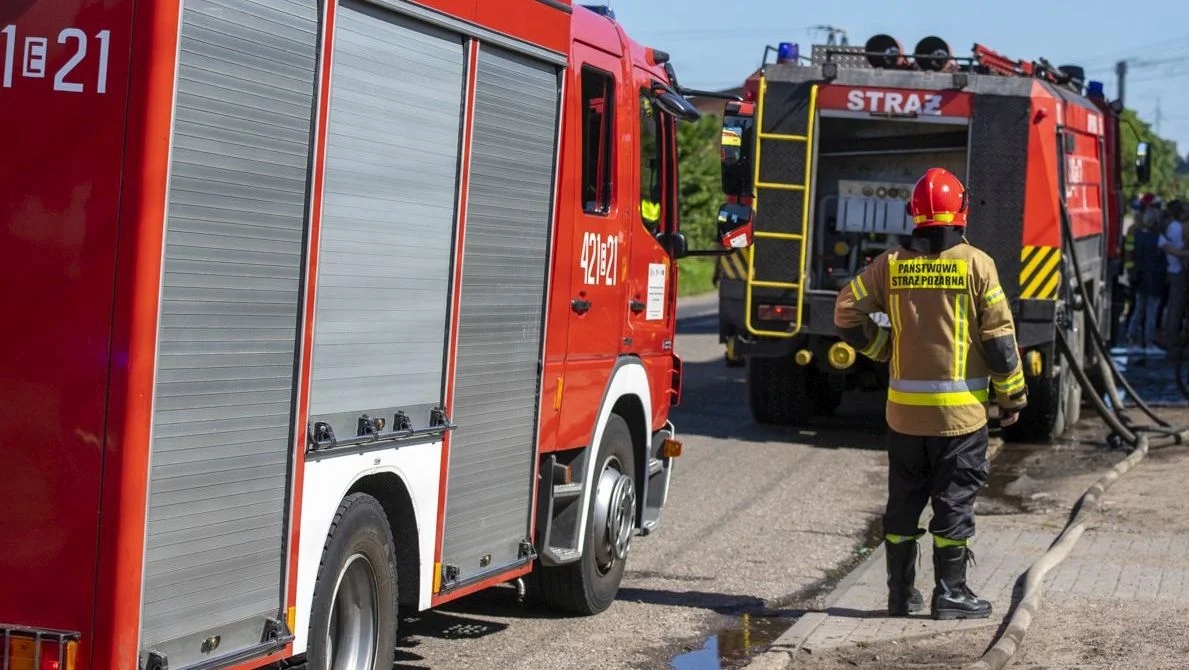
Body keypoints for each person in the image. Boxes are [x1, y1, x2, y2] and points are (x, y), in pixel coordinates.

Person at [834, 167, 1027, 621]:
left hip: (904, 419)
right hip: (961, 421)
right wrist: (1012, 399)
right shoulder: (977, 265)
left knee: (903, 506)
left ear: (913, 214)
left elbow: (844, 313)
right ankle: (951, 595)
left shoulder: (889, 266)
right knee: (953, 505)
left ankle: (900, 597)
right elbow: (1000, 340)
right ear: (961, 212)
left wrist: (883, 349)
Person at [1126, 205, 1166, 356]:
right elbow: (1172, 251)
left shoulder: (1136, 235)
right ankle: (1148, 343)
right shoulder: (1159, 238)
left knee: (1138, 310)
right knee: (1151, 312)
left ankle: (1131, 339)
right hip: (1153, 280)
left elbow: (1130, 254)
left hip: (1140, 279)